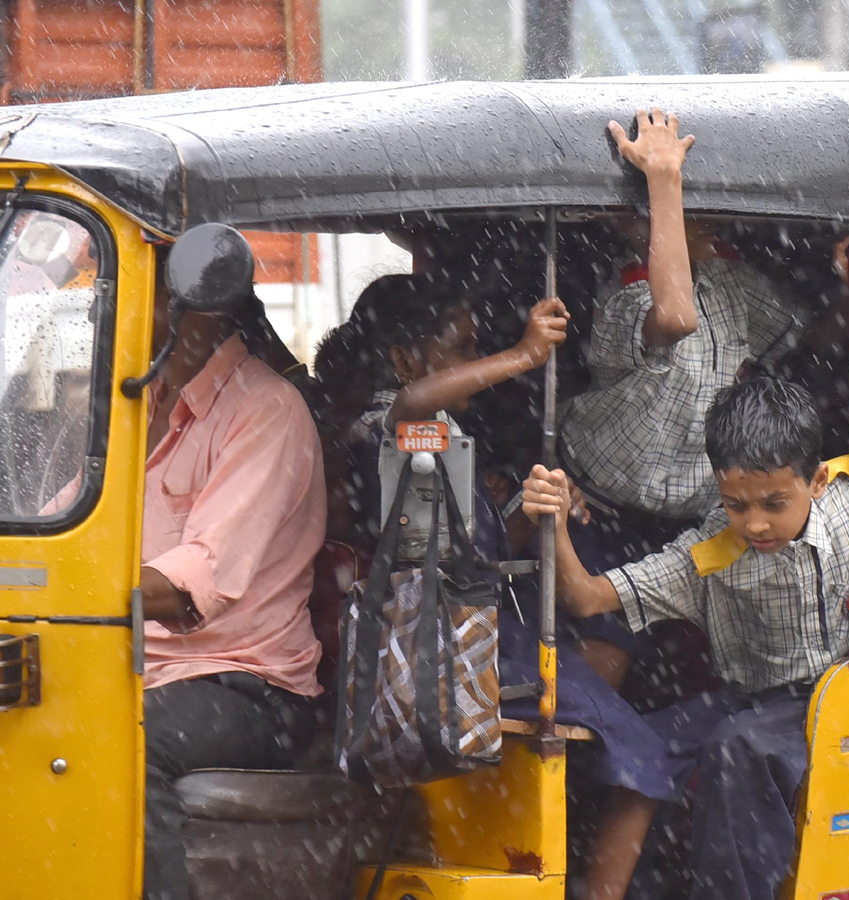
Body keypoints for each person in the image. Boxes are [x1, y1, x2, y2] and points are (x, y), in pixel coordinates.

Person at [315, 273, 676, 900]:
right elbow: (412, 409)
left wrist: (545, 509)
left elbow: (466, 546)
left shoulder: (440, 439)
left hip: (474, 633)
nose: (473, 365)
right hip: (462, 649)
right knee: (645, 754)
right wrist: (524, 357)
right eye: (461, 348)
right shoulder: (387, 429)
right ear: (404, 360)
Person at [523, 377, 849, 900]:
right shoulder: (708, 554)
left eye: (774, 503)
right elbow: (585, 598)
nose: (756, 524)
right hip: (752, 697)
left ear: (815, 482)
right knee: (640, 744)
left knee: (738, 746)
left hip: (841, 694)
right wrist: (557, 523)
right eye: (736, 505)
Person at [555, 108, 803, 686]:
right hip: (604, 511)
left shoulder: (729, 285)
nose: (709, 222)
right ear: (633, 225)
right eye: (692, 213)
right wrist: (665, 181)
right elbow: (675, 315)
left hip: (705, 519)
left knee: (712, 671)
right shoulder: (624, 298)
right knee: (603, 665)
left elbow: (799, 335)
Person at [137, 239, 326, 900]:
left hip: (247, 686)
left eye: (143, 292)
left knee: (125, 740)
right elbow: (70, 525)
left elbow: (204, 574)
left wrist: (82, 592)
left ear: (196, 310)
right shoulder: (141, 403)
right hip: (142, 664)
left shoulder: (265, 410)